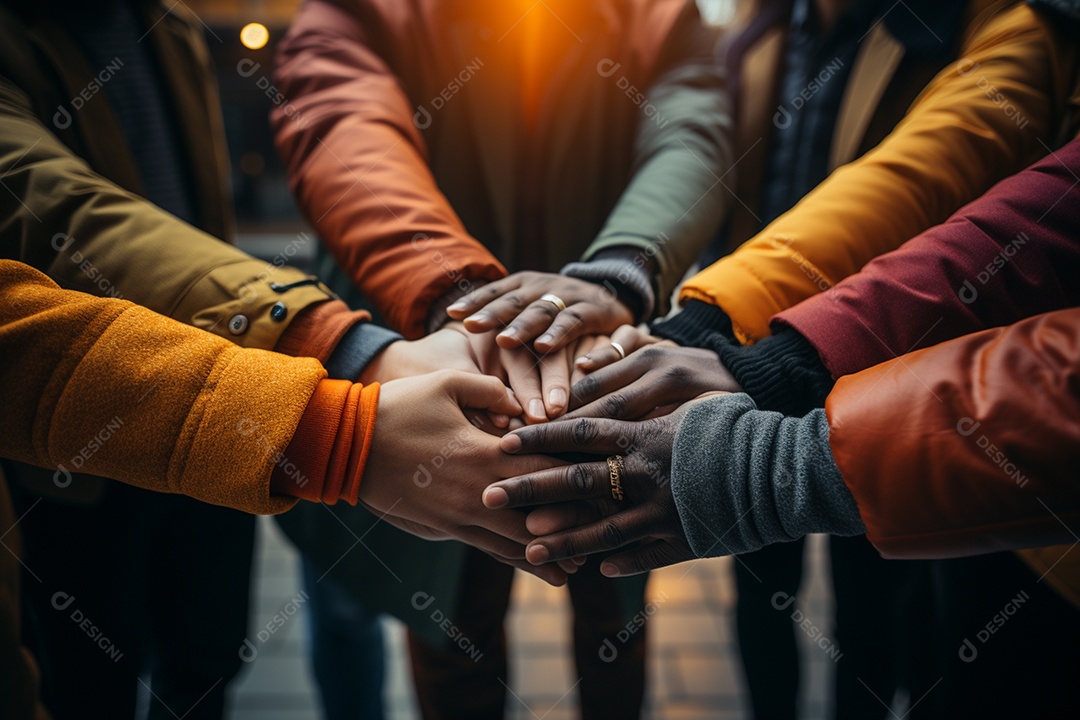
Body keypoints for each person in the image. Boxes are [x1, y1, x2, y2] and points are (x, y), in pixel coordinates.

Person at [0, 0, 556, 715]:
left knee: (207, 662)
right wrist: (347, 381)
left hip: (235, 399)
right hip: (83, 443)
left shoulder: (166, 27)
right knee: (92, 676)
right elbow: (53, 213)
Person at [566, 0, 1078, 716]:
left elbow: (948, 167)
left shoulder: (962, 22)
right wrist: (721, 327)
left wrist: (783, 425)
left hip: (900, 384)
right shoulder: (762, 21)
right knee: (761, 593)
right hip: (774, 355)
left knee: (873, 608)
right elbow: (1025, 209)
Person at [271, 1, 731, 717]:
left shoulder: (654, 15)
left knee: (614, 617)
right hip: (443, 385)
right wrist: (457, 296)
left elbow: (690, 133)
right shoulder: (369, 13)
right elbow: (346, 133)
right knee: (455, 631)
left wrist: (618, 270)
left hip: (601, 382)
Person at [0, 258, 572, 720]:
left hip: (231, 413)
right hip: (80, 480)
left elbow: (98, 220)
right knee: (93, 678)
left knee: (207, 659)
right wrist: (341, 434)